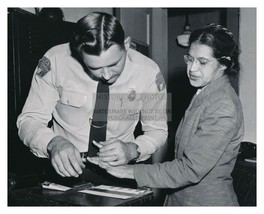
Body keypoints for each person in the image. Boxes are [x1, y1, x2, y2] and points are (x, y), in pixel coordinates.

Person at [88, 23, 244, 206]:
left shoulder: (223, 104)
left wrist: (127, 171)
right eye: (189, 59)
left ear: (223, 64)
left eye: (202, 62)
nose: (192, 69)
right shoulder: (206, 93)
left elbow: (191, 169)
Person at [17, 12, 168, 179]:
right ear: (78, 52)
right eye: (95, 68)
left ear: (126, 44)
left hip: (121, 173)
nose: (107, 75)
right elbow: (28, 120)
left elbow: (158, 130)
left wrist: (132, 149)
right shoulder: (55, 60)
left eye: (114, 64)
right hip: (62, 171)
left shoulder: (149, 72)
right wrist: (53, 143)